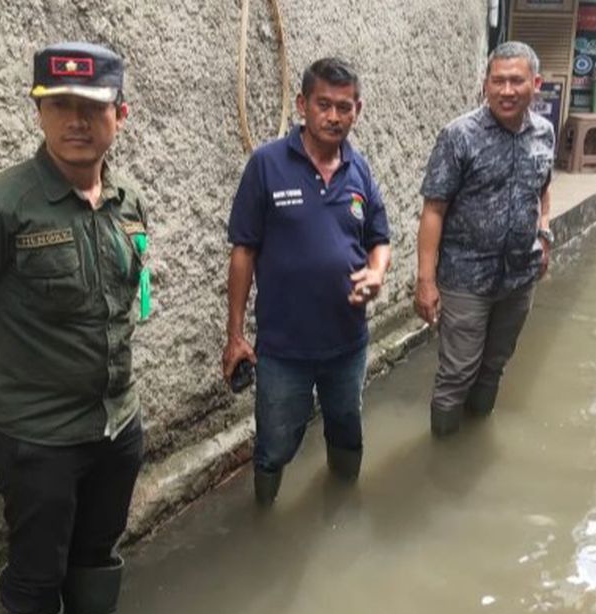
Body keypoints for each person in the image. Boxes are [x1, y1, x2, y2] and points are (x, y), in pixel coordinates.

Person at [0, 42, 147, 614]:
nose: (75, 120)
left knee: (98, 553)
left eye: (91, 106)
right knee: (36, 575)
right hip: (37, 435)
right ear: (38, 112)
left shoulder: (128, 204)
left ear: (119, 115)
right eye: (59, 104)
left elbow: (121, 303)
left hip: (116, 422)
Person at [223, 58, 392, 506]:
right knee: (274, 445)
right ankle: (265, 522)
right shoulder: (266, 164)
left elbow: (380, 239)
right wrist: (235, 335)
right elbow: (243, 252)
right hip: (282, 349)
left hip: (347, 344)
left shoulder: (360, 170)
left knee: (347, 431)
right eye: (324, 105)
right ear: (302, 105)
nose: (334, 117)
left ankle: (342, 506)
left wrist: (376, 272)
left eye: (344, 107)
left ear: (358, 109)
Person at [414, 41, 555, 437]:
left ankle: (474, 441)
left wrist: (544, 233)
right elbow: (433, 210)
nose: (506, 91)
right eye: (498, 81)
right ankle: (441, 453)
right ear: (485, 85)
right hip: (465, 279)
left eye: (516, 81)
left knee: (494, 365)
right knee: (458, 371)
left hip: (518, 278)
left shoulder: (544, 133)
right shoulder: (459, 136)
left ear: (536, 83)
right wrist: (426, 280)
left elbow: (542, 190)